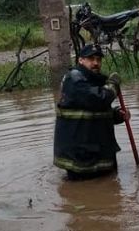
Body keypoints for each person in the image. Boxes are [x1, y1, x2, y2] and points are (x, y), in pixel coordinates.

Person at [53, 44, 130, 179]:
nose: (96, 63)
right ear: (80, 60)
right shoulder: (74, 79)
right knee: (82, 191)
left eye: (98, 59)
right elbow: (98, 100)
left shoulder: (96, 80)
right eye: (91, 59)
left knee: (110, 189)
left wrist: (117, 115)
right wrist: (113, 85)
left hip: (99, 154)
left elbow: (94, 112)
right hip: (81, 159)